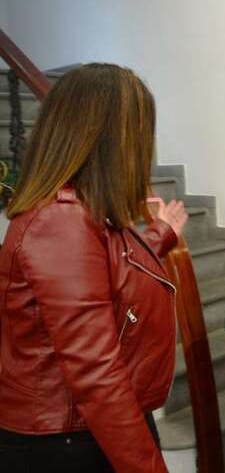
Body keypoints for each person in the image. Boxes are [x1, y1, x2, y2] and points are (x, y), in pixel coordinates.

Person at [0, 63, 188, 473]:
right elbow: (96, 373)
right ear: (110, 140)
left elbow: (109, 268)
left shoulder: (79, 212)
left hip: (87, 428)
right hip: (67, 440)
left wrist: (160, 235)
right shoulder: (60, 221)